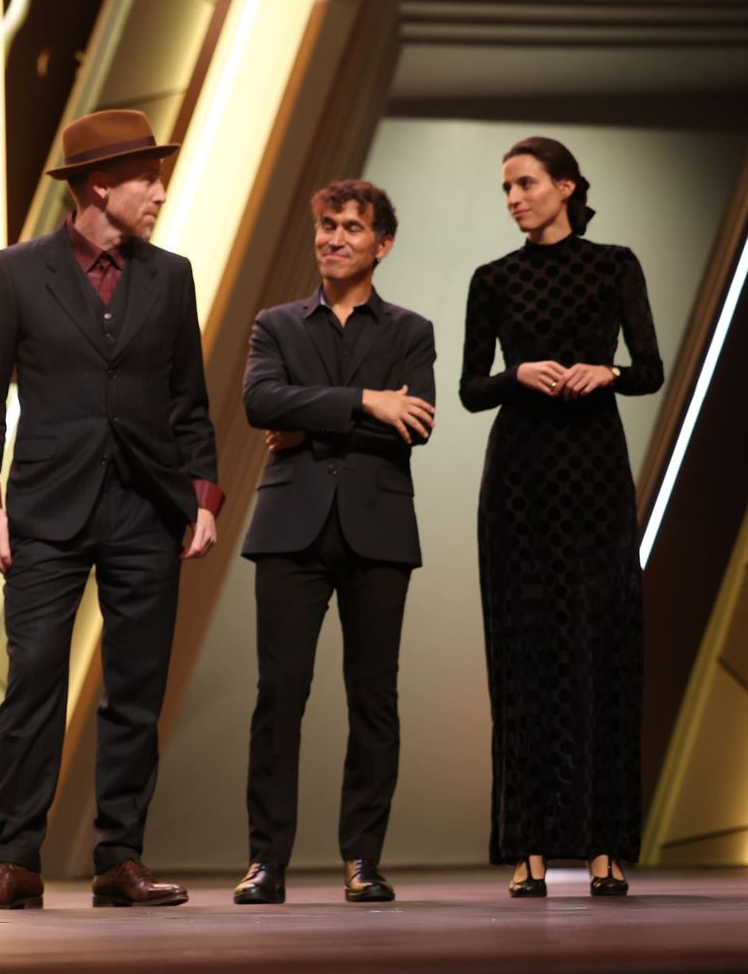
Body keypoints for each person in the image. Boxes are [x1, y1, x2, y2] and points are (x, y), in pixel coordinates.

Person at [0, 109, 222, 911]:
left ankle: (120, 857)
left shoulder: (169, 275)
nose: (162, 193)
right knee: (33, 675)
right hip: (46, 508)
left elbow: (190, 402)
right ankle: (17, 859)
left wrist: (202, 497)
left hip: (146, 507)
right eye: (149, 178)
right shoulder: (18, 271)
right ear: (101, 185)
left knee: (135, 685)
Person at [460, 137, 662, 898]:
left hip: (595, 476)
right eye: (505, 186)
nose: (513, 198)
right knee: (524, 657)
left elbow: (650, 369)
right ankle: (529, 848)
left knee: (605, 651)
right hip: (518, 483)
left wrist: (605, 370)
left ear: (566, 187)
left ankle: (606, 845)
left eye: (525, 183)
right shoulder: (494, 279)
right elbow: (471, 390)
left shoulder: (614, 264)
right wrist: (518, 373)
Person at [233, 180, 435, 906]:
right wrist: (364, 402)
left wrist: (308, 419)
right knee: (279, 695)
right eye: (326, 225)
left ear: (381, 243)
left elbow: (417, 420)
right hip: (291, 528)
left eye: (351, 227)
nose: (334, 238)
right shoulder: (277, 324)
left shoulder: (410, 330)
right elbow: (259, 400)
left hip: (377, 529)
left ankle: (363, 860)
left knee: (373, 697)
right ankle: (266, 862)